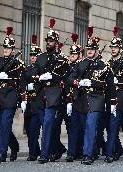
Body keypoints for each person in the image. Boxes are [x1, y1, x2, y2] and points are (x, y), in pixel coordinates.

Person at [68, 31, 116, 165]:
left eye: (92, 49)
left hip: (97, 98)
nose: (90, 51)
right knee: (86, 127)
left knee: (90, 125)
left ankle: (87, 155)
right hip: (82, 99)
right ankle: (93, 151)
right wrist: (79, 82)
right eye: (88, 49)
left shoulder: (104, 65)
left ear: (96, 50)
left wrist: (112, 102)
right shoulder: (80, 63)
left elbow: (109, 85)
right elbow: (70, 78)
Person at [0, 27, 25, 163]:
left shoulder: (18, 64)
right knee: (1, 126)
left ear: (13, 50)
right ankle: (14, 146)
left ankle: (2, 153)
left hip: (11, 96)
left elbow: (21, 81)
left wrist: (22, 98)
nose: (6, 50)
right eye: (4, 47)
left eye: (9, 48)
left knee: (6, 125)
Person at [37, 19, 69, 164]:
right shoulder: (41, 57)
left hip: (54, 93)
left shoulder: (61, 58)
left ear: (56, 42)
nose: (48, 43)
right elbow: (33, 72)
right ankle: (56, 149)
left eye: (51, 41)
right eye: (47, 40)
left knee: (49, 123)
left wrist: (53, 76)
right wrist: (37, 78)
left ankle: (44, 154)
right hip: (40, 93)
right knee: (44, 124)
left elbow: (66, 76)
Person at [104, 27, 123, 163]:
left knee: (113, 126)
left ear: (120, 49)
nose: (113, 49)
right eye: (112, 47)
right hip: (108, 98)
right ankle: (118, 149)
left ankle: (109, 153)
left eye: (116, 47)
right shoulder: (107, 64)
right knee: (109, 127)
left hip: (119, 98)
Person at [19, 35, 45, 161]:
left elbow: (43, 83)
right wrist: (24, 96)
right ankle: (36, 150)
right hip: (28, 102)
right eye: (31, 55)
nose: (33, 57)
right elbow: (22, 82)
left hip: (38, 102)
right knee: (28, 129)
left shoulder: (42, 69)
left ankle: (33, 153)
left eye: (35, 55)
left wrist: (34, 85)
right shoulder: (27, 69)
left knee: (35, 129)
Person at [65, 33, 85, 162]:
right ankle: (71, 153)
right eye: (71, 53)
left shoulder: (82, 66)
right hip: (69, 100)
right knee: (72, 129)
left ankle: (81, 151)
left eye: (75, 53)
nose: (72, 55)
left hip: (81, 100)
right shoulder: (66, 66)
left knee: (82, 128)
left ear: (80, 55)